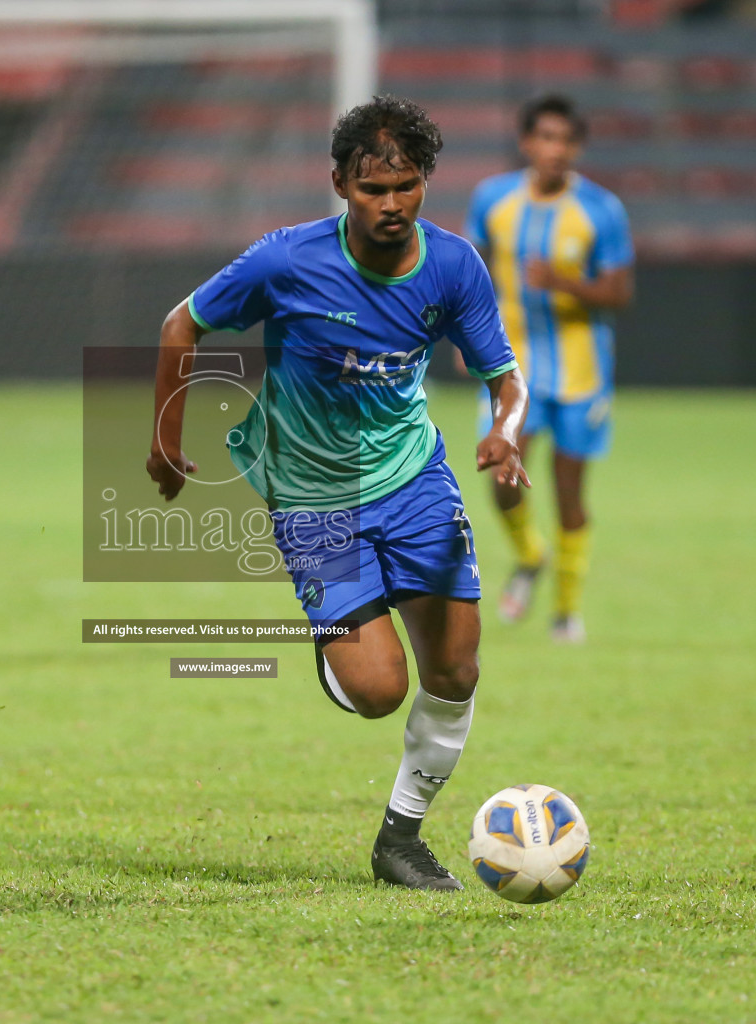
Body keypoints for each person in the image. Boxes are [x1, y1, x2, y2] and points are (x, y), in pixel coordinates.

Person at [147, 95, 530, 891]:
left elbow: (506, 378)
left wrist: (507, 430)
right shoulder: (286, 261)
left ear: (427, 181)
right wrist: (164, 440)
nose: (391, 205)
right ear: (339, 185)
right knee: (379, 690)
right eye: (372, 190)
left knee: (457, 671)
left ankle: (401, 839)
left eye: (407, 186)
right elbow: (180, 325)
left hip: (414, 480)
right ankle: (339, 643)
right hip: (313, 497)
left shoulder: (454, 265)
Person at [464, 94, 633, 644]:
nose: (554, 150)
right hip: (513, 370)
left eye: (565, 140)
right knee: (502, 477)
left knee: (568, 494)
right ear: (527, 142)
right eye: (545, 138)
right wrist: (465, 336)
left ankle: (565, 611)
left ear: (577, 148)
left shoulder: (601, 210)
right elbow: (473, 272)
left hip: (581, 372)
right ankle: (530, 556)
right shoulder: (494, 200)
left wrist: (565, 283)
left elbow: (619, 290)